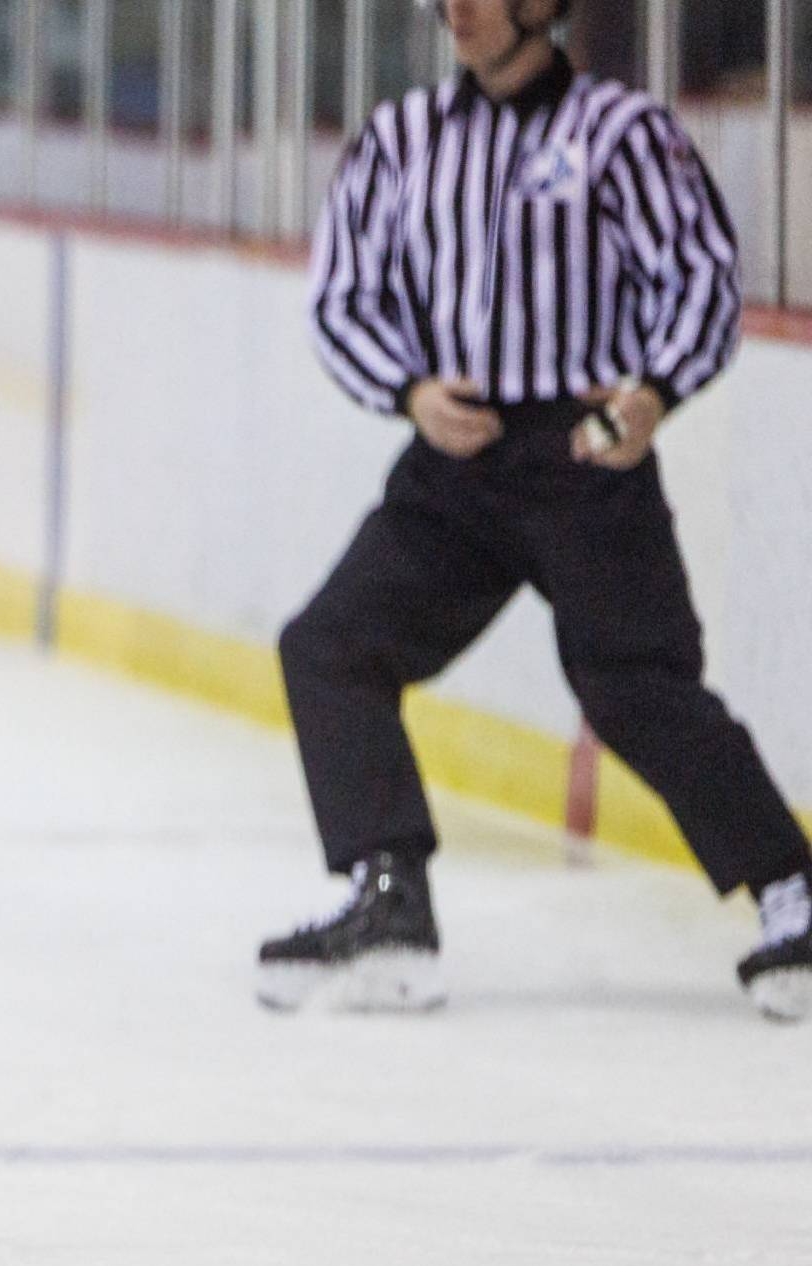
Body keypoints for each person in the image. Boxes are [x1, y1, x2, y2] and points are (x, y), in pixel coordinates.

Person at [260, 0, 812, 1019]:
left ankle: (794, 891)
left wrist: (652, 391)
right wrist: (408, 391)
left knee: (634, 684)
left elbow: (698, 275)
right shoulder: (402, 139)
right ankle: (388, 896)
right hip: (456, 459)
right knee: (330, 646)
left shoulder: (619, 133)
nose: (453, 12)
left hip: (581, 454)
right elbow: (341, 295)